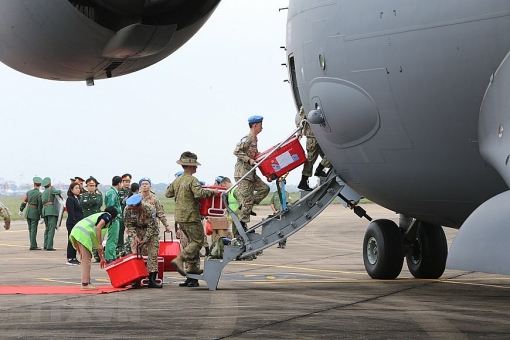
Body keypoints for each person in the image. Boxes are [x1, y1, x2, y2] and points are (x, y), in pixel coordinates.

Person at [165, 151, 218, 288]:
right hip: (191, 216)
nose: (196, 168)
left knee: (190, 243)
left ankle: (192, 272)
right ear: (189, 166)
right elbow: (199, 193)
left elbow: (168, 193)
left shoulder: (177, 180)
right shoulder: (192, 180)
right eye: (194, 166)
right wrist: (213, 192)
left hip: (180, 217)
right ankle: (180, 259)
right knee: (198, 241)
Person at [125, 177, 171, 288]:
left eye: (135, 208)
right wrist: (134, 236)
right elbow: (129, 224)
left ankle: (152, 279)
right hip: (138, 229)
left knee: (152, 254)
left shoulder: (149, 208)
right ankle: (136, 278)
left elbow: (152, 226)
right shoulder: (128, 209)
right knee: (136, 253)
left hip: (151, 231)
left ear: (140, 205)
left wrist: (145, 240)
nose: (133, 210)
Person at [69, 206, 118, 290]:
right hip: (82, 234)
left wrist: (101, 257)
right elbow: (98, 227)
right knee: (86, 259)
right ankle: (85, 284)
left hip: (76, 232)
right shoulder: (107, 216)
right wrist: (99, 244)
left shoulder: (99, 216)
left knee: (85, 258)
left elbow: (98, 244)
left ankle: (87, 282)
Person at [233, 115, 270, 226]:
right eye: (260, 125)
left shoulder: (254, 139)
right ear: (255, 125)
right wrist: (249, 160)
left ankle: (246, 207)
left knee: (264, 189)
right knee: (248, 200)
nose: (262, 128)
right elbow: (236, 151)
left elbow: (254, 154)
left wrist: (263, 156)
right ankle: (242, 226)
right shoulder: (248, 138)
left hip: (251, 173)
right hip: (243, 174)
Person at [296, 106, 331, 191]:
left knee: (332, 153)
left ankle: (320, 168)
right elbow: (301, 117)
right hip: (312, 135)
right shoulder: (306, 103)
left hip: (323, 133)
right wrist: (299, 131)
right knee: (311, 158)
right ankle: (303, 181)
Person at [19, 176, 43, 250]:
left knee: (30, 230)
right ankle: (33, 245)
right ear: (40, 185)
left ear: (34, 184)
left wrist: (21, 210)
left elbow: (24, 201)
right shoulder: (39, 194)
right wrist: (42, 215)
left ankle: (33, 244)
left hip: (28, 212)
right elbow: (39, 206)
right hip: (34, 213)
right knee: (33, 230)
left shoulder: (28, 192)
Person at [104, 176, 123, 263]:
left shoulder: (114, 192)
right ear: (119, 183)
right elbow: (111, 206)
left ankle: (112, 255)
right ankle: (109, 256)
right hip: (114, 219)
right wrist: (113, 217)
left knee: (114, 239)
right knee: (112, 239)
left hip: (116, 218)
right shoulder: (112, 193)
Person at [41, 177, 61, 251]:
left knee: (47, 229)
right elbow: (59, 192)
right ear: (49, 183)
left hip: (45, 211)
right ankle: (49, 246)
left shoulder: (44, 192)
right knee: (51, 229)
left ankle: (45, 245)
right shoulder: (51, 189)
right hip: (51, 210)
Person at [65, 182, 83, 265]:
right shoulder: (70, 199)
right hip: (72, 223)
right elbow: (71, 212)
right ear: (71, 189)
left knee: (75, 241)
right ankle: (70, 258)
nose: (78, 190)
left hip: (78, 223)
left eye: (79, 188)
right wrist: (75, 223)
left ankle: (74, 257)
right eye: (76, 188)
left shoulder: (77, 198)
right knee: (71, 241)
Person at [117, 173, 132, 249]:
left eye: (129, 182)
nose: (127, 183)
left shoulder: (131, 191)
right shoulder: (119, 192)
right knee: (120, 231)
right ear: (122, 182)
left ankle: (129, 246)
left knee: (131, 231)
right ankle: (120, 246)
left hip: (130, 215)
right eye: (126, 181)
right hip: (121, 213)